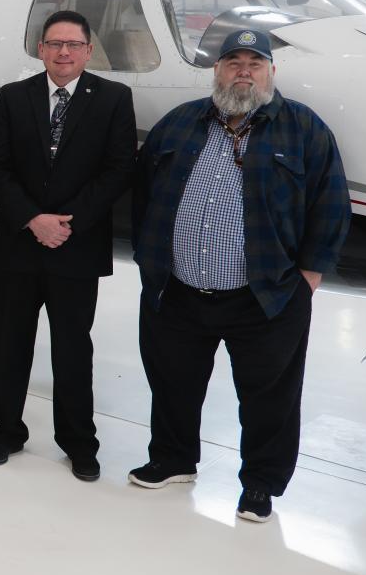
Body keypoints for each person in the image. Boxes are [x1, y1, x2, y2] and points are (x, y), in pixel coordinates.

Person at [129, 26, 348, 523]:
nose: (243, 71)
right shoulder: (181, 123)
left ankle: (260, 484)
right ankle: (173, 459)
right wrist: (151, 261)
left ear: (272, 71)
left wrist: (309, 275)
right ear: (217, 71)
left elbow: (330, 202)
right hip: (179, 291)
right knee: (172, 383)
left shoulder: (303, 129)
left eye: (254, 62)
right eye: (234, 62)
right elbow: (144, 194)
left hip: (265, 297)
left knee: (269, 398)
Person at [0, 9, 136, 481]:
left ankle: (79, 442)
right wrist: (33, 219)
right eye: (54, 44)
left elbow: (118, 169)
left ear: (88, 50)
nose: (63, 52)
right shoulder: (13, 97)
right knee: (10, 345)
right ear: (41, 50)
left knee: (72, 350)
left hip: (77, 245)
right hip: (19, 246)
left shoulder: (113, 98)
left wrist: (65, 224)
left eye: (72, 44)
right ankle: (6, 431)